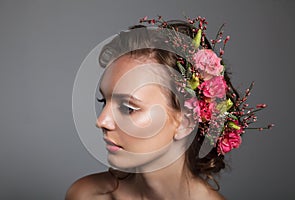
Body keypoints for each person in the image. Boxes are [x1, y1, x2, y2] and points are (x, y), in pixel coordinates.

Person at [66, 16, 270, 200]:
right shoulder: (87, 195)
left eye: (128, 108)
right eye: (104, 101)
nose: (101, 121)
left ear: (185, 122)